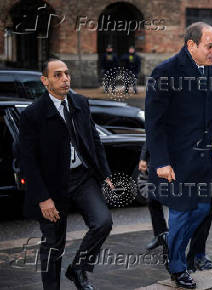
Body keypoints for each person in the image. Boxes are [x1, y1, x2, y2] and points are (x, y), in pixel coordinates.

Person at [145, 22, 212, 288]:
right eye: (210, 45)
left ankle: (173, 246)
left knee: (202, 210)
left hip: (204, 160)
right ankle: (177, 266)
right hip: (175, 161)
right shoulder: (165, 72)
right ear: (191, 45)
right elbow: (154, 124)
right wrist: (160, 161)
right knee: (182, 213)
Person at [19, 58, 114, 290]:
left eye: (67, 74)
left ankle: (78, 269)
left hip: (82, 177)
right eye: (58, 75)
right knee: (53, 243)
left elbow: (94, 139)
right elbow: (28, 161)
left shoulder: (80, 102)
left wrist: (104, 173)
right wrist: (43, 198)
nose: (65, 79)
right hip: (52, 186)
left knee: (103, 222)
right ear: (45, 81)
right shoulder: (33, 114)